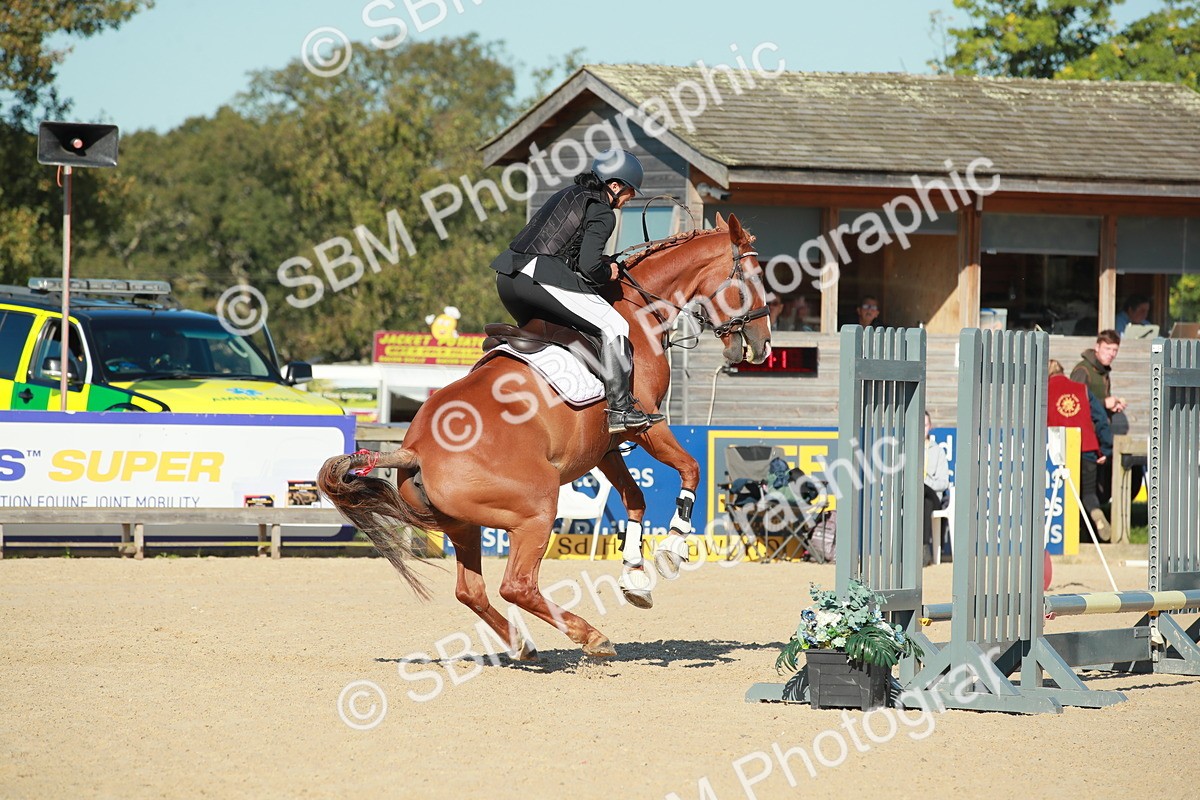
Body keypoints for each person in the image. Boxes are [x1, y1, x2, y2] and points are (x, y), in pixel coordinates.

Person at [490, 150, 664, 434]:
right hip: (539, 277)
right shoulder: (603, 210)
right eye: (631, 190)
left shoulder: (569, 194)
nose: (631, 197)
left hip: (507, 278)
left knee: (564, 329)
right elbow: (589, 265)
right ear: (615, 185)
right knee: (615, 323)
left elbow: (566, 248)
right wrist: (608, 271)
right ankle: (620, 410)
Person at [1048, 360, 1113, 542]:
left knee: (1061, 495)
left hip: (1058, 451)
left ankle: (1065, 537)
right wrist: (1105, 450)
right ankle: (1095, 511)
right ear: (1063, 372)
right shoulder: (1082, 390)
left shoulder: (1044, 391)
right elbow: (1101, 419)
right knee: (1088, 493)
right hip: (1087, 448)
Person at [1071, 329, 1126, 416]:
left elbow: (1099, 408)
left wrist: (1112, 408)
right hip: (1086, 428)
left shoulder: (1103, 370)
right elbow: (1074, 403)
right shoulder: (1083, 370)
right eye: (1107, 349)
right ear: (1097, 347)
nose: (1111, 354)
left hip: (1101, 427)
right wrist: (1104, 403)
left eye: (1115, 350)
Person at [923, 411, 949, 566]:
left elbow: (943, 482)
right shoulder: (907, 449)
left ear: (930, 426)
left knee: (924, 491)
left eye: (925, 425)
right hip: (918, 499)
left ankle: (921, 550)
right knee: (924, 503)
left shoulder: (938, 451)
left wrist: (926, 483)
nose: (922, 429)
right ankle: (924, 550)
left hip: (933, 495)